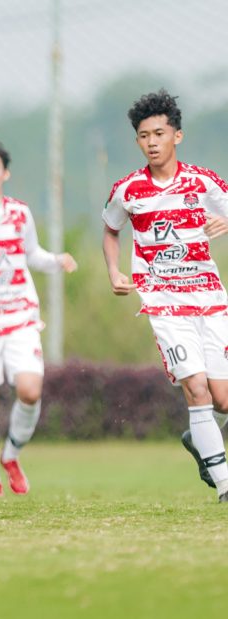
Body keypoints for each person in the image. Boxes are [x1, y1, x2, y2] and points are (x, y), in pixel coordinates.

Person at [103, 89, 228, 501]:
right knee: (196, 389)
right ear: (137, 141)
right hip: (165, 302)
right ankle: (225, 486)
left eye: (159, 133)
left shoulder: (203, 181)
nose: (152, 142)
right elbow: (111, 229)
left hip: (209, 298)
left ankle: (200, 438)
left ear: (177, 136)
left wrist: (224, 222)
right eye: (143, 135)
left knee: (223, 401)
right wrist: (114, 270)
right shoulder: (128, 190)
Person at [0, 141, 78, 496]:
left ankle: (12, 455)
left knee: (30, 391)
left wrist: (57, 261)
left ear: (5, 173)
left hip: (20, 316)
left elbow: (31, 254)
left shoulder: (20, 213)